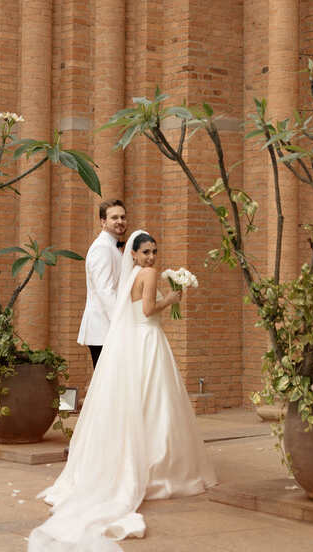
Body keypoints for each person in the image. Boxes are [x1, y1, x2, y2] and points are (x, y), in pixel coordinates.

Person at [28, 229, 216, 550]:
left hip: (135, 344)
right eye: (146, 252)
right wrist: (170, 299)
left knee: (143, 403)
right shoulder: (149, 274)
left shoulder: (130, 277)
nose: (152, 257)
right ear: (134, 254)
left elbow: (130, 309)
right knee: (157, 404)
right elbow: (146, 311)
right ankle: (158, 467)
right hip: (149, 340)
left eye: (154, 251)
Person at [77, 199, 127, 367]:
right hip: (104, 328)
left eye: (122, 217)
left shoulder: (111, 246)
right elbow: (105, 290)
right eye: (114, 218)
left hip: (108, 327)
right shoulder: (102, 248)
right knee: (106, 386)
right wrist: (120, 323)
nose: (120, 221)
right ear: (103, 222)